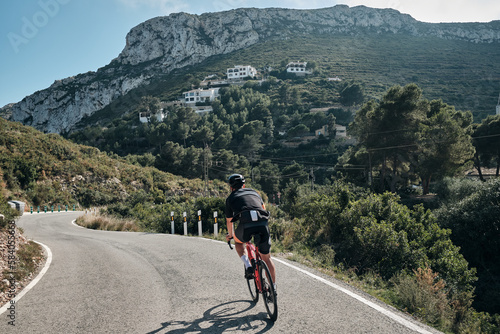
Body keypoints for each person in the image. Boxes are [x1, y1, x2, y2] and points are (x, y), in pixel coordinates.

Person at [225, 173, 277, 286]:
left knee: (238, 243)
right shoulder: (254, 193)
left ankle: (248, 265)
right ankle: (273, 288)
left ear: (231, 188)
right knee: (267, 259)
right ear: (243, 186)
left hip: (246, 226)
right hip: (262, 223)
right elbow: (263, 208)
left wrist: (231, 235)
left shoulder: (230, 198)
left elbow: (229, 220)